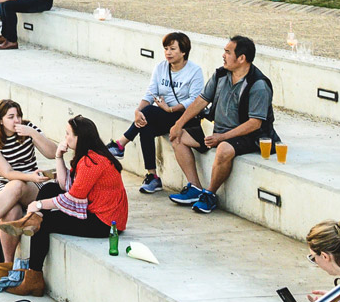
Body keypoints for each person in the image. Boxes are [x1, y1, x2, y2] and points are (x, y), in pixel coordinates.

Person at [0, 115, 129, 296]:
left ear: (79, 137)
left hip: (105, 223)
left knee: (43, 222)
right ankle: (29, 221)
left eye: (68, 135)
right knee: (50, 188)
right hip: (95, 211)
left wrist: (39, 204)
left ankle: (34, 277)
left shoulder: (93, 162)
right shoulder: (88, 156)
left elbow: (72, 197)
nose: (65, 138)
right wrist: (58, 157)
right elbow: (64, 185)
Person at [168, 35, 277, 215]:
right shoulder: (220, 74)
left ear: (241, 58)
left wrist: (222, 137)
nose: (223, 56)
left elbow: (255, 123)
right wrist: (179, 124)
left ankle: (210, 195)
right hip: (217, 131)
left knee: (224, 149)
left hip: (248, 136)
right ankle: (195, 188)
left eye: (227, 52)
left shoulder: (258, 85)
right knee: (177, 137)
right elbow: (201, 101)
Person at [110, 31, 206, 194]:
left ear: (183, 51)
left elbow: (195, 100)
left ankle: (121, 144)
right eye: (166, 48)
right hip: (163, 116)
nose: (168, 52)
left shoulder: (194, 71)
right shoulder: (161, 67)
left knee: (149, 112)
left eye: (173, 49)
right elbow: (151, 93)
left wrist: (171, 109)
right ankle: (152, 176)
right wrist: (137, 111)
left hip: (185, 117)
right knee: (145, 123)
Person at [0, 100, 61, 259]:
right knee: (12, 211)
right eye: (11, 117)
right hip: (1, 183)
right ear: (0, 120)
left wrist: (32, 133)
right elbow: (7, 172)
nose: (16, 120)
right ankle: (8, 265)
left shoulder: (29, 129)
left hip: (31, 184)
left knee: (17, 185)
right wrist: (28, 176)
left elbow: (53, 153)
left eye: (18, 115)